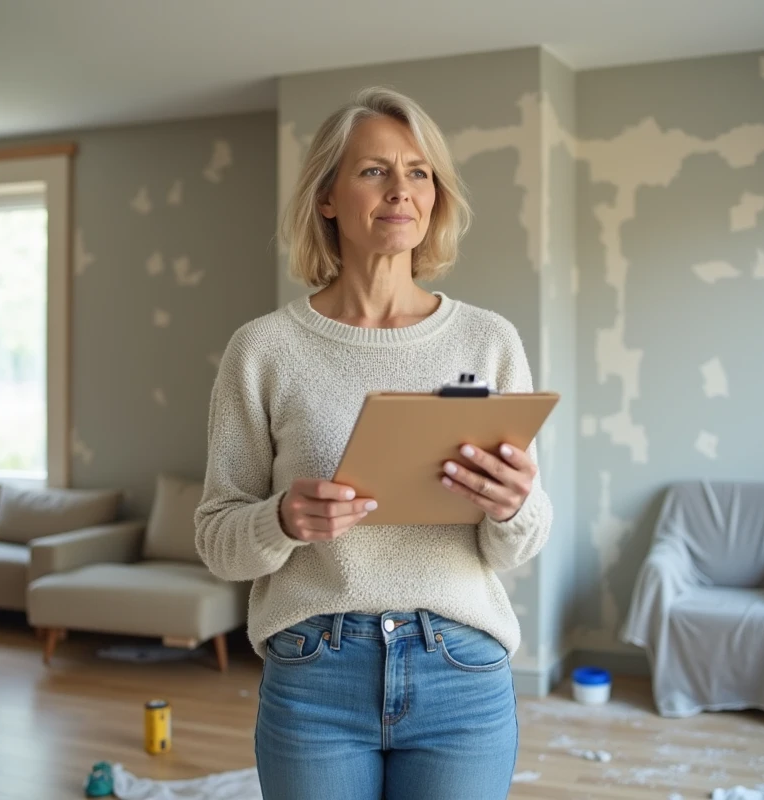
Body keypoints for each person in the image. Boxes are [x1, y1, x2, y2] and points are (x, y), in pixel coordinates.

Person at [194, 86, 553, 800]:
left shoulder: (490, 340)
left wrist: (514, 507)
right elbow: (217, 541)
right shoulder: (262, 349)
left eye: (419, 172)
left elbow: (519, 543)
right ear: (327, 197)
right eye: (373, 171)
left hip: (462, 673)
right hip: (314, 675)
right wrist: (281, 520)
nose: (401, 190)